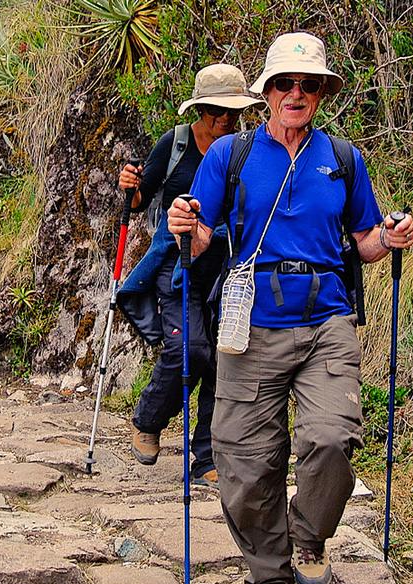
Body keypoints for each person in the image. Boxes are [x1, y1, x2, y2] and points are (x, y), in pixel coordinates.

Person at [167, 33, 413, 584]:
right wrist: (183, 225)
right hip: (251, 325)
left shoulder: (343, 158)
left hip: (327, 318)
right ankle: (267, 579)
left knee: (331, 440)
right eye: (285, 84)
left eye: (308, 85)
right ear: (267, 93)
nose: (296, 94)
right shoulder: (230, 155)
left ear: (322, 93)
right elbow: (199, 239)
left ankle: (308, 538)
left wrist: (391, 235)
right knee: (244, 464)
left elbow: (363, 241)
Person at [116, 64, 262, 488]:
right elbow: (143, 199)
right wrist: (131, 186)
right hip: (176, 267)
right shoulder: (176, 143)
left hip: (229, 270)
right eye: (217, 110)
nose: (226, 119)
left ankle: (205, 458)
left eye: (233, 112)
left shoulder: (246, 149)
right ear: (200, 109)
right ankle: (148, 419)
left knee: (223, 360)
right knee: (192, 350)